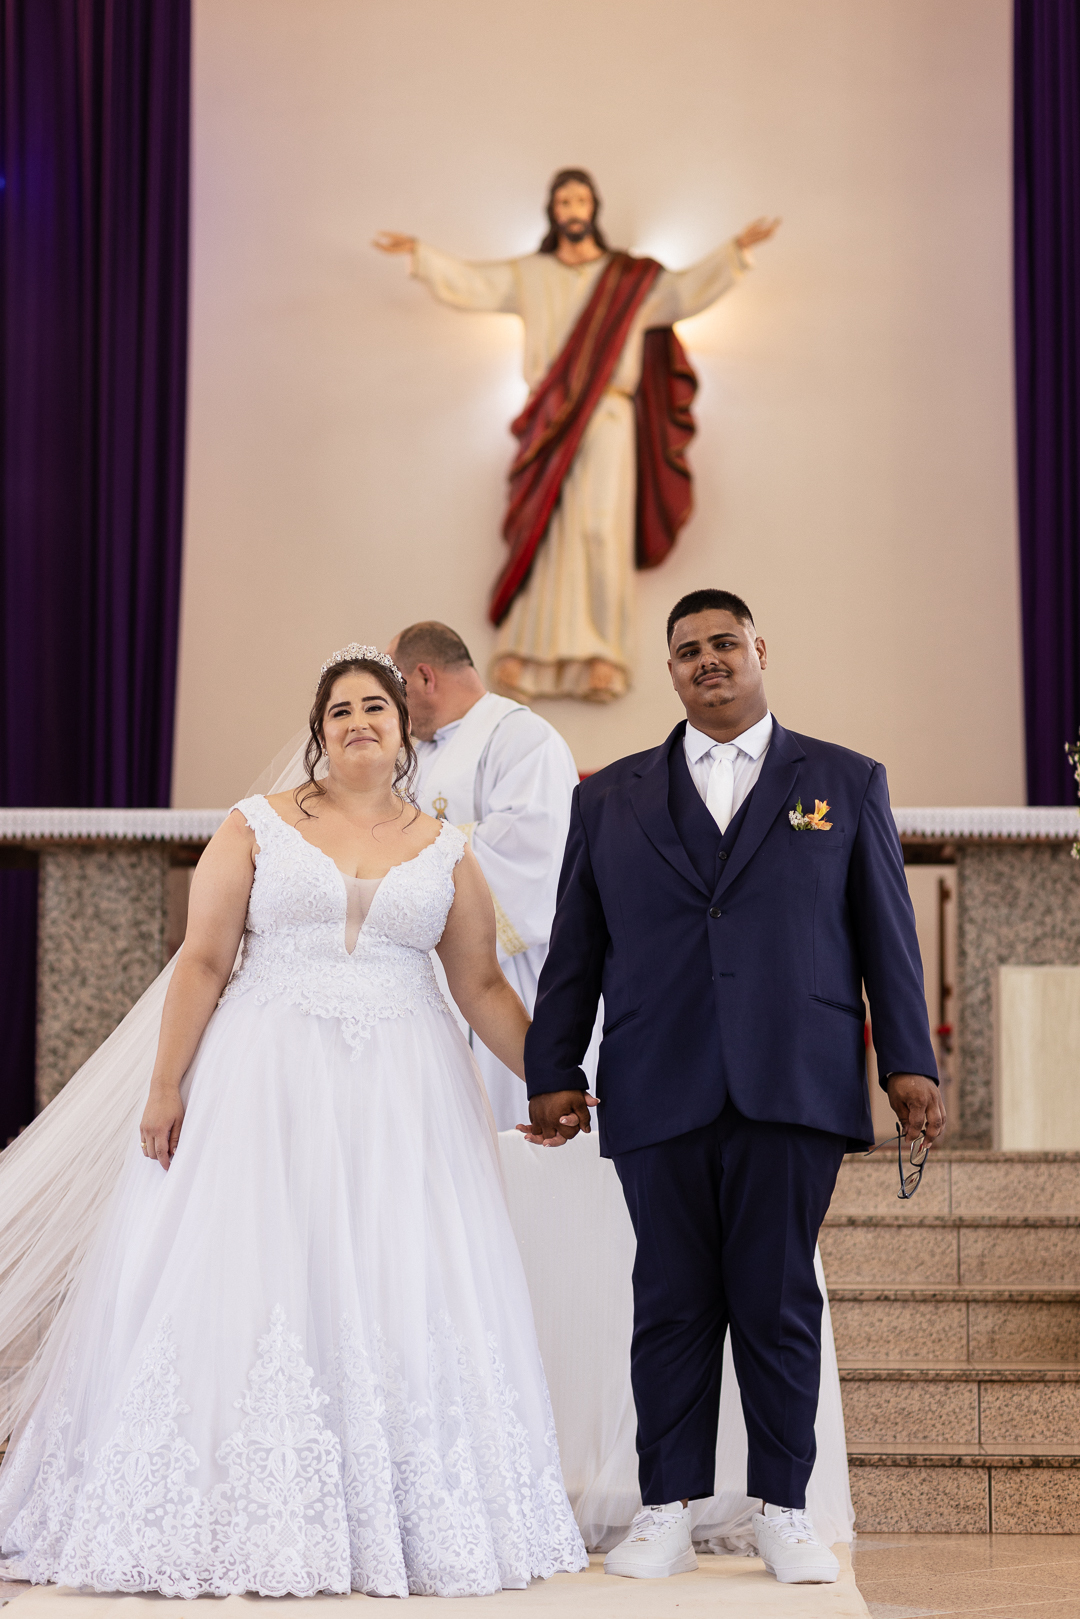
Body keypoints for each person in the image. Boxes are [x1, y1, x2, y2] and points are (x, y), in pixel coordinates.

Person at [0, 645, 587, 1599]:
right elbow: (202, 960)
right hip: (265, 1084)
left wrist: (553, 1079)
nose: (359, 721)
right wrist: (164, 1084)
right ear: (318, 730)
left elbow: (481, 984)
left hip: (405, 1099)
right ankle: (238, 1507)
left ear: (404, 727)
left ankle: (390, 1515)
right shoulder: (256, 826)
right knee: (256, 1273)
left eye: (376, 707)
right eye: (340, 709)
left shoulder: (446, 847)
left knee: (397, 1276)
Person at [522, 589, 943, 1585]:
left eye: (724, 643)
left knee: (778, 1294)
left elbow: (886, 932)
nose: (707, 659)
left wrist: (909, 1061)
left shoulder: (843, 780)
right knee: (670, 1298)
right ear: (670, 669)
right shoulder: (609, 797)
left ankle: (785, 1509)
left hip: (792, 1076)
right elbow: (576, 946)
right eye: (687, 650)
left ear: (760, 648)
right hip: (656, 1075)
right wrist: (553, 1067)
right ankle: (664, 1508)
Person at [374, 172, 779, 704]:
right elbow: (476, 282)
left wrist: (734, 253)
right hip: (550, 415)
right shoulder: (532, 273)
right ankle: (526, 651)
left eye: (580, 199)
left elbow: (680, 292)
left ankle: (601, 655)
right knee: (544, 529)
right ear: (553, 210)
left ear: (593, 208)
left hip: (608, 414)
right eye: (563, 200)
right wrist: (423, 256)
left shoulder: (626, 281)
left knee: (599, 529)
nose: (572, 208)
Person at [387, 621, 581, 1129]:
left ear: (424, 677)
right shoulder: (418, 753)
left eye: (396, 689)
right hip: (424, 973)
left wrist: (401, 855)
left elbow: (532, 850)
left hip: (508, 974)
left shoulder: (524, 738)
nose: (393, 709)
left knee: (498, 1127)